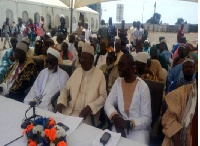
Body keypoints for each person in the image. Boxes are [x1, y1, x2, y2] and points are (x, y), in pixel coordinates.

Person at [104, 54, 151, 144]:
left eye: (122, 65)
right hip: (119, 125)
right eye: (119, 65)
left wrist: (128, 124)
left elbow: (147, 119)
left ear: (132, 67)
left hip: (138, 130)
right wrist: (116, 117)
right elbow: (108, 102)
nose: (119, 68)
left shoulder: (143, 87)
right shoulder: (118, 82)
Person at [56, 43, 107, 126]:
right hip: (70, 111)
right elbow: (66, 89)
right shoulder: (77, 71)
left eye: (85, 58)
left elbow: (103, 97)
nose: (82, 60)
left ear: (92, 60)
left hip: (87, 116)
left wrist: (90, 107)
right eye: (82, 57)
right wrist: (61, 101)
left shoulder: (100, 74)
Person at [24, 48, 69, 112]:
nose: (47, 64)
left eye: (50, 62)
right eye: (46, 61)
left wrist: (40, 102)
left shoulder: (63, 75)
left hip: (48, 104)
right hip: (36, 98)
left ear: (56, 62)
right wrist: (32, 100)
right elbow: (35, 87)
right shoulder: (43, 72)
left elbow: (62, 93)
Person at [162, 66, 197, 146]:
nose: (188, 69)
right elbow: (168, 118)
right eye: (186, 67)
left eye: (190, 67)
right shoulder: (181, 92)